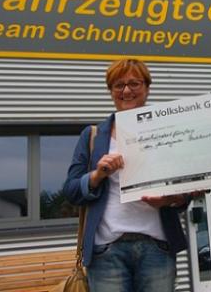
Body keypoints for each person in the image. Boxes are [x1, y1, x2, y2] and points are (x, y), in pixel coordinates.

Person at [63, 58, 189, 292]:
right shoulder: (92, 136)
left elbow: (186, 192)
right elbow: (70, 191)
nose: (127, 90)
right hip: (106, 251)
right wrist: (97, 175)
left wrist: (170, 199)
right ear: (111, 91)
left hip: (157, 248)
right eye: (119, 85)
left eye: (134, 83)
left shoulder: (168, 131)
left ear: (147, 88)